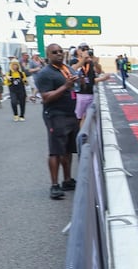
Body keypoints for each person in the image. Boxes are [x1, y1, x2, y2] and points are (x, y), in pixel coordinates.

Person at [35, 43, 81, 200]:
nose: (59, 54)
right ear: (48, 55)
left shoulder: (68, 68)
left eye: (61, 51)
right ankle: (54, 185)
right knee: (56, 150)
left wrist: (79, 81)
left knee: (68, 149)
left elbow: (77, 86)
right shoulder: (44, 74)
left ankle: (67, 180)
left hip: (71, 114)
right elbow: (46, 97)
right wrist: (66, 86)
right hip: (55, 115)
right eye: (55, 52)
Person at [73, 44, 109, 126]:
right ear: (78, 51)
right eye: (83, 49)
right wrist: (83, 59)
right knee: (79, 117)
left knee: (89, 116)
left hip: (90, 93)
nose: (85, 51)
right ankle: (78, 134)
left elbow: (99, 72)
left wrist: (95, 62)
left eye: (87, 49)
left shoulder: (90, 62)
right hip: (79, 94)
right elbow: (73, 69)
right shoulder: (75, 61)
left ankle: (84, 135)